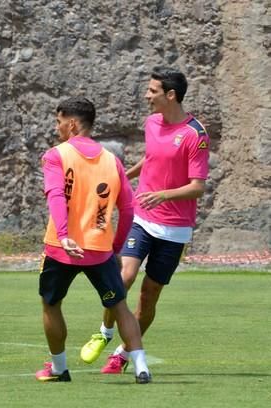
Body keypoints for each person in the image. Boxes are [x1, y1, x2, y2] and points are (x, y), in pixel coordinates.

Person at [80, 67, 210, 374]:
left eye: (152, 91)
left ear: (170, 95)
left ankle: (124, 353)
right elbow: (152, 158)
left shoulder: (196, 135)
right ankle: (105, 332)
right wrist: (124, 176)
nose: (146, 95)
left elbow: (198, 186)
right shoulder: (151, 123)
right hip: (144, 218)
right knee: (123, 277)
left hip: (175, 229)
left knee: (149, 296)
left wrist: (163, 195)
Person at [35, 97, 151, 384]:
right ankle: (141, 367)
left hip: (62, 250)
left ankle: (60, 368)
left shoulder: (56, 155)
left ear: (72, 123)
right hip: (100, 249)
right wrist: (116, 246)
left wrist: (63, 236)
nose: (58, 127)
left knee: (51, 305)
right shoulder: (112, 161)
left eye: (59, 121)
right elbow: (128, 208)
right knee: (119, 306)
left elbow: (57, 196)